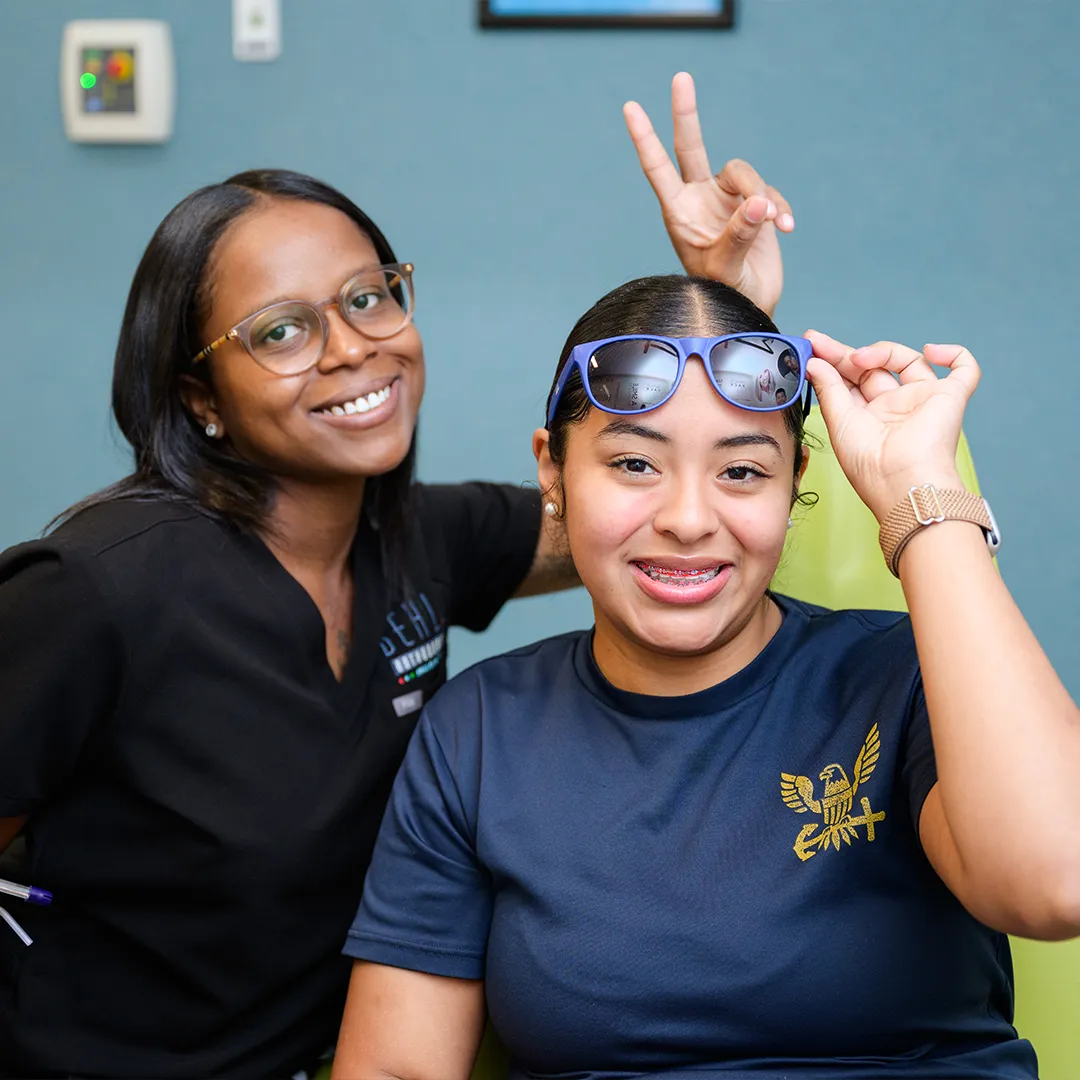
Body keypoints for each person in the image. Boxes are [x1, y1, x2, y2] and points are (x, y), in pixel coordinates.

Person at [0, 75, 794, 1079]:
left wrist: (723, 315)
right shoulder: (93, 592)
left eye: (368, 296)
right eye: (282, 331)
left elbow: (649, 522)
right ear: (200, 397)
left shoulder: (418, 539)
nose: (353, 347)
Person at [332, 275, 1080, 1079]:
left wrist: (921, 497)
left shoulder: (907, 676)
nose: (688, 520)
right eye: (632, 463)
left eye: (743, 472)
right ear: (552, 473)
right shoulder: (478, 730)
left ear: (797, 482)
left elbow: (1056, 884)